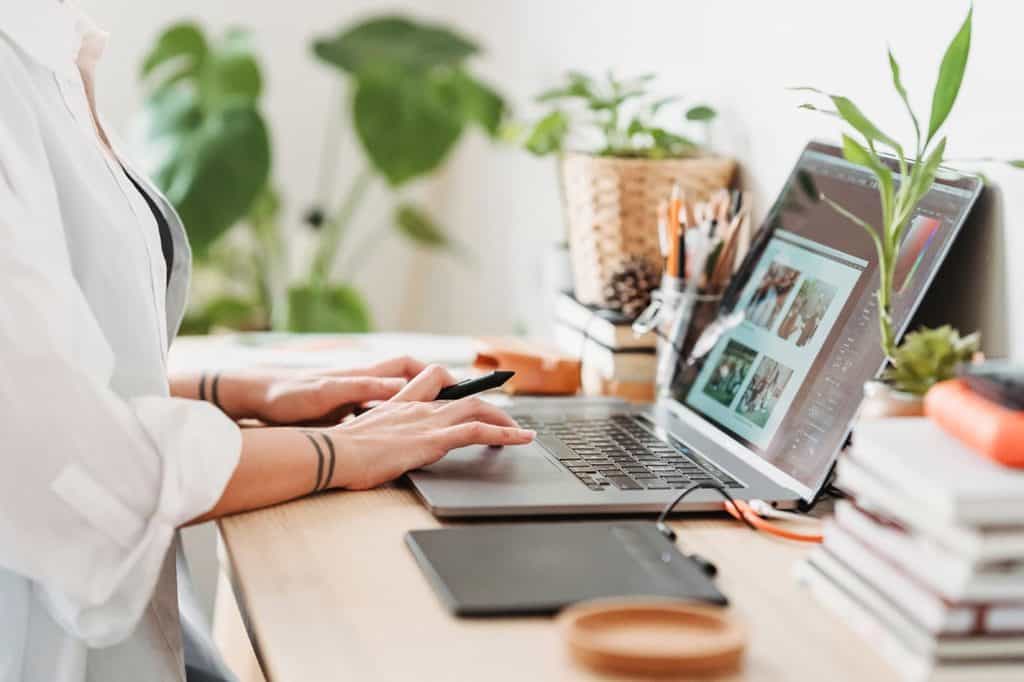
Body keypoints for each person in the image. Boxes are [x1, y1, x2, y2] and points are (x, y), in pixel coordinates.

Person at [0, 3, 534, 681]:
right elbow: (78, 474)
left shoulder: (47, 38)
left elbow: (42, 376)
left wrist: (239, 391)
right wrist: (345, 450)